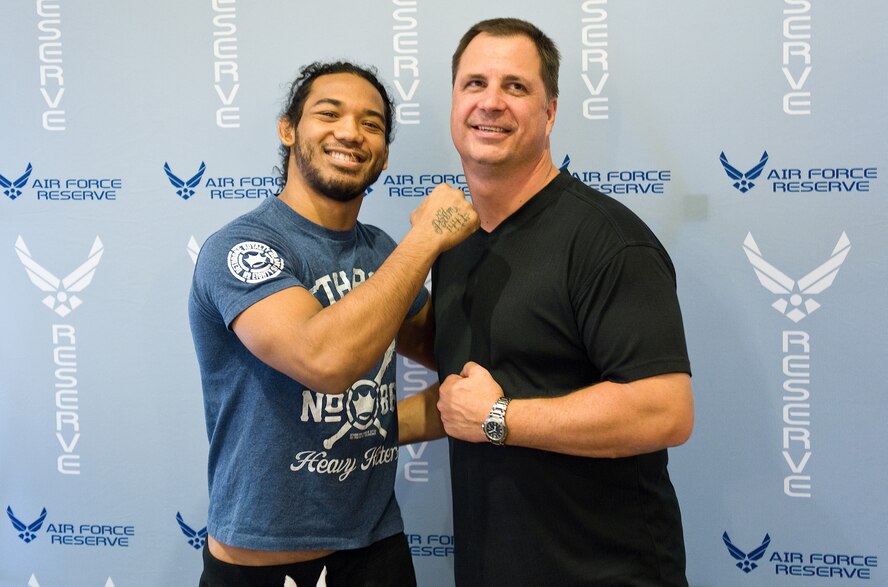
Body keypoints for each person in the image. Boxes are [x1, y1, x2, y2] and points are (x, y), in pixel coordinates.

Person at [398, 18, 694, 586]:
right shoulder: (455, 243)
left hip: (608, 573)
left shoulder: (606, 239)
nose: (491, 102)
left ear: (551, 112)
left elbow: (666, 409)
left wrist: (498, 418)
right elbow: (487, 364)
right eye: (474, 83)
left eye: (516, 87)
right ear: (453, 101)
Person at [189, 61, 478, 587]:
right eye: (329, 113)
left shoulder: (382, 254)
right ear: (288, 128)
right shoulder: (242, 248)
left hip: (376, 550)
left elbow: (456, 354)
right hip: (265, 563)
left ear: (384, 154)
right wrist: (426, 239)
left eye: (371, 124)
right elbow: (323, 361)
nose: (350, 131)